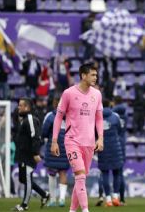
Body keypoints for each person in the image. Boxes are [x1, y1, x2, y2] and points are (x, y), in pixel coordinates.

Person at [51, 63, 104, 212]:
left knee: (81, 179)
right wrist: (54, 141)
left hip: (89, 143)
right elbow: (58, 116)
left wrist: (100, 138)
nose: (96, 77)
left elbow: (99, 118)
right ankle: (85, 210)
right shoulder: (68, 93)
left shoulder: (97, 94)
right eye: (93, 75)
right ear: (83, 76)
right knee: (80, 174)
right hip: (72, 140)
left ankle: (72, 210)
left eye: (96, 74)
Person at [13, 98, 50, 211]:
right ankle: (44, 194)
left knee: (27, 179)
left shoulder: (30, 119)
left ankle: (24, 205)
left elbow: (36, 137)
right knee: (22, 179)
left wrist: (35, 153)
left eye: (21, 105)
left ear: (27, 107)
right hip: (22, 155)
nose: (18, 107)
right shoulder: (23, 119)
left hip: (29, 155)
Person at [42, 98, 70, 207]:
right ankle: (62, 199)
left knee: (52, 174)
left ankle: (53, 200)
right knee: (63, 172)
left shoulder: (50, 116)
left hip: (53, 147)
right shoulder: (70, 116)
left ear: (55, 103)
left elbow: (44, 132)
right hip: (66, 147)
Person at [98, 99, 124, 207]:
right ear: (110, 104)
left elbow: (94, 132)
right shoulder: (115, 116)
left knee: (104, 173)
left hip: (102, 148)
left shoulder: (97, 117)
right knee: (117, 172)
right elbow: (120, 130)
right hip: (115, 148)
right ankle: (116, 197)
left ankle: (108, 199)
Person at [112, 96, 127, 205]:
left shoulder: (112, 116)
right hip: (122, 144)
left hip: (113, 143)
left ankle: (105, 197)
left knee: (105, 171)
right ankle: (121, 198)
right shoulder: (125, 115)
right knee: (120, 173)